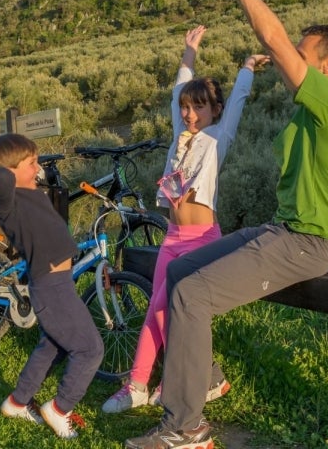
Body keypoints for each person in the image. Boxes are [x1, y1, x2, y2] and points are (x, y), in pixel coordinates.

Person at [125, 0, 328, 448]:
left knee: (192, 294)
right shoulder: (313, 110)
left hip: (304, 244)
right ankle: (205, 377)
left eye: (301, 52)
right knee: (180, 273)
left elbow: (270, 36)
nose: (287, 56)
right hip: (280, 231)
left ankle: (185, 429)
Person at [102, 25, 269, 414]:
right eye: (187, 108)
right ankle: (143, 385)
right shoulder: (181, 136)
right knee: (156, 311)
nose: (190, 114)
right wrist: (189, 52)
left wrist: (246, 68)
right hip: (173, 236)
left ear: (215, 111)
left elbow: (239, 100)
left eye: (199, 108)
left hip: (202, 238)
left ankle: (165, 382)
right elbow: (179, 88)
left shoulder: (217, 139)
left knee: (166, 308)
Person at [0, 133, 104, 439]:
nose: (37, 168)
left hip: (57, 282)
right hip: (51, 286)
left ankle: (16, 402)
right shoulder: (6, 201)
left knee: (52, 347)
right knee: (90, 349)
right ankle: (60, 408)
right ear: (9, 173)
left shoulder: (28, 192)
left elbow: (8, 176)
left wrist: (23, 169)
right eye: (31, 163)